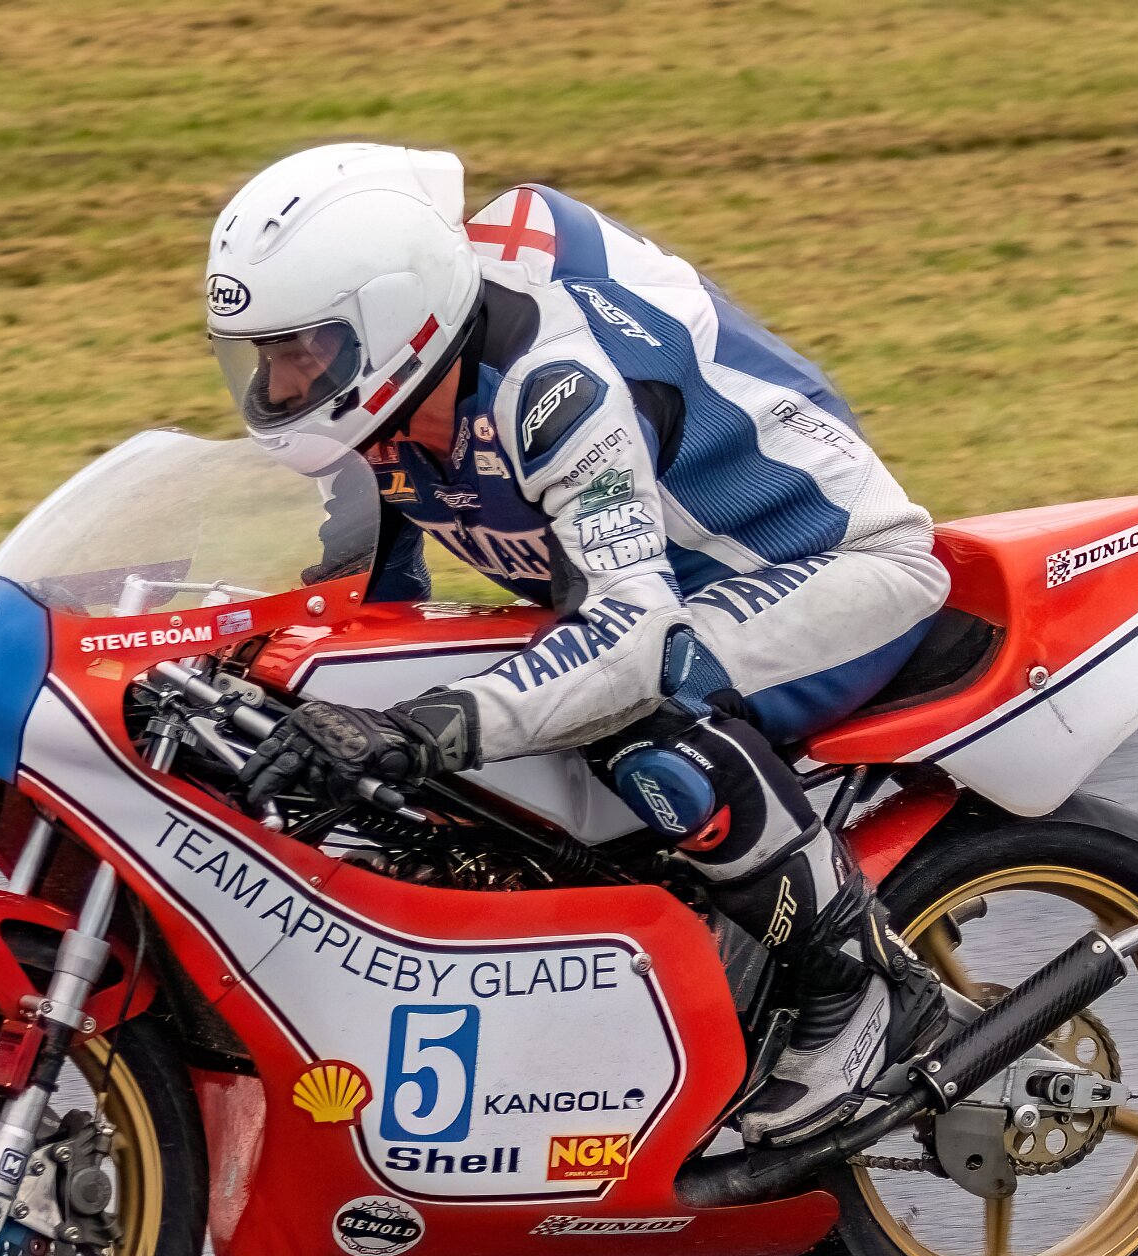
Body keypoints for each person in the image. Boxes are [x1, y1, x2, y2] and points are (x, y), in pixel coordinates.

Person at [207, 144, 949, 1150]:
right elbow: (356, 615)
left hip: (833, 564)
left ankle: (861, 985)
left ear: (392, 323)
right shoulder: (373, 405)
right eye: (261, 353)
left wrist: (418, 732)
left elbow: (630, 641)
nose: (278, 381)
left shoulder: (553, 384)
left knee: (634, 710)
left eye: (302, 349)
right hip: (658, 588)